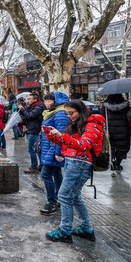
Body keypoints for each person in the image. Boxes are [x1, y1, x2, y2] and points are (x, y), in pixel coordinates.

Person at [43, 100, 104, 243]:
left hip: (80, 163)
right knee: (75, 196)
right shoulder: (77, 123)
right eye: (68, 113)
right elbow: (68, 143)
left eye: (72, 113)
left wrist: (62, 136)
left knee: (64, 196)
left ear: (81, 111)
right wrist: (53, 136)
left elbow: (83, 145)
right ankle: (86, 228)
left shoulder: (93, 125)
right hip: (74, 161)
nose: (70, 116)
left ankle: (65, 230)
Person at [39, 92, 69, 216]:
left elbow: (61, 134)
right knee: (56, 174)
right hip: (49, 147)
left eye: (49, 101)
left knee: (45, 174)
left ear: (56, 101)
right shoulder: (52, 112)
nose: (46, 104)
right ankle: (59, 199)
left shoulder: (60, 113)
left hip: (53, 149)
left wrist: (58, 152)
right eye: (45, 101)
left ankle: (52, 202)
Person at [101, 94, 131, 171]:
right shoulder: (126, 105)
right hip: (124, 128)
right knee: (122, 147)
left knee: (112, 146)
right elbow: (130, 116)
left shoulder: (105, 105)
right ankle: (118, 163)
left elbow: (102, 116)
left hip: (110, 129)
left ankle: (113, 160)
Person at [18, 93, 46, 173]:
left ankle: (34, 167)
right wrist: (22, 109)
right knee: (37, 149)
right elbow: (25, 114)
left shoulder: (38, 107)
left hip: (34, 130)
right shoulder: (34, 106)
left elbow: (30, 116)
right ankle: (41, 166)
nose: (28, 100)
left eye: (30, 99)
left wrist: (23, 109)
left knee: (32, 149)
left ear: (35, 100)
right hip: (33, 129)